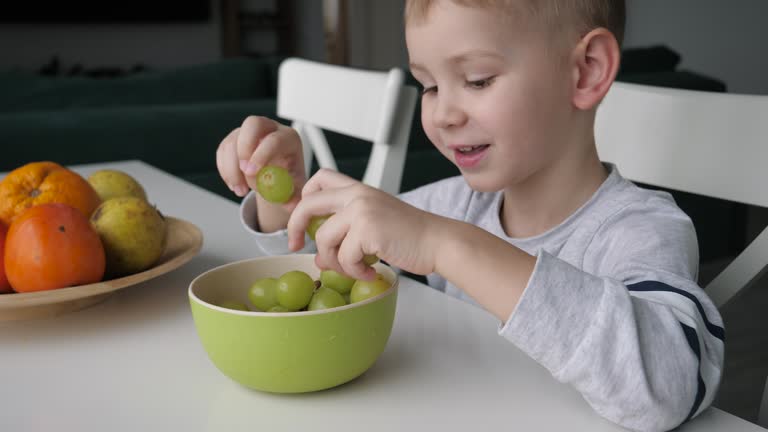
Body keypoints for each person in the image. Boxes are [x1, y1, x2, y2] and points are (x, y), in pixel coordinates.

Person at [215, 1, 724, 430]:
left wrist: (447, 245)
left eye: (477, 80)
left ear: (585, 70)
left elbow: (669, 383)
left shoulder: (640, 228)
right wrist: (283, 195)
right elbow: (322, 272)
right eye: (430, 86)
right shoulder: (454, 204)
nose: (442, 114)